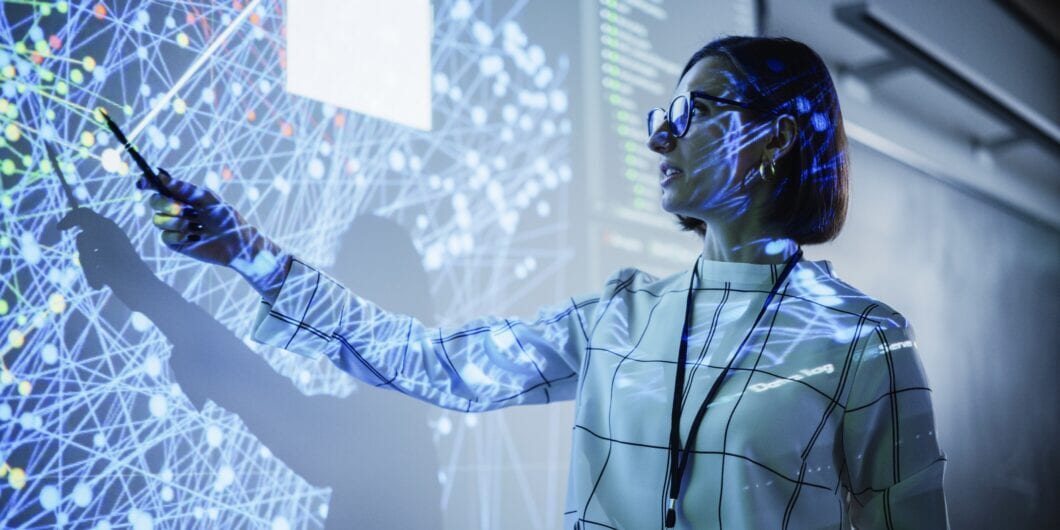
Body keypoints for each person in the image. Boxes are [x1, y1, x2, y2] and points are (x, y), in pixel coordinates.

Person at [140, 36, 949, 529]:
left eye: (692, 109)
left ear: (773, 141)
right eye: (659, 115)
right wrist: (251, 254)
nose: (661, 134)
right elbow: (439, 366)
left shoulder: (863, 342)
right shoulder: (624, 315)